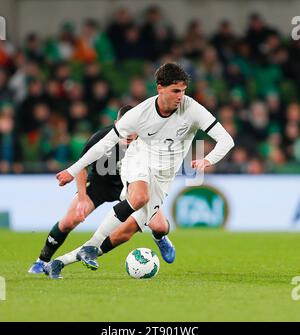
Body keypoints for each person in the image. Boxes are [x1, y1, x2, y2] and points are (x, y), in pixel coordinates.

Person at [47, 62, 234, 278]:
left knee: (129, 233)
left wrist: (207, 160)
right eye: (175, 91)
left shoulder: (192, 109)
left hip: (164, 176)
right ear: (159, 88)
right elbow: (104, 144)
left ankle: (61, 262)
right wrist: (72, 171)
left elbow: (226, 140)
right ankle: (91, 246)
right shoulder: (140, 113)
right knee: (139, 197)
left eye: (183, 91)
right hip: (138, 161)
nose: (180, 96)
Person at [28, 105, 173, 274]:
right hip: (99, 185)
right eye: (125, 126)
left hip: (129, 186)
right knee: (70, 220)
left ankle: (159, 237)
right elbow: (81, 167)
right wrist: (82, 199)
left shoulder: (147, 144)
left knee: (159, 226)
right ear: (116, 124)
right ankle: (41, 261)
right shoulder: (102, 138)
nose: (128, 132)